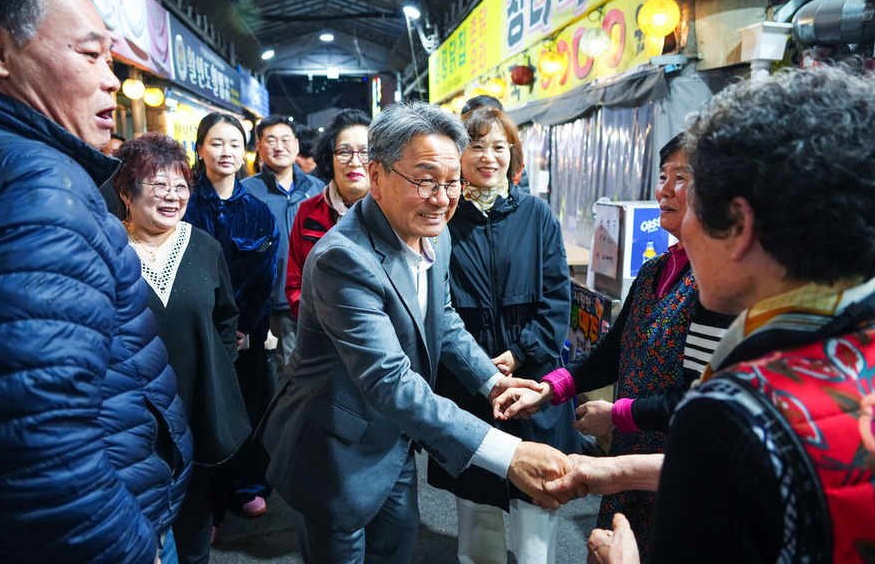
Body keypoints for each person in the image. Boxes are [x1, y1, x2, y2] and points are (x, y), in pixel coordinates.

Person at [571, 65, 875, 563]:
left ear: (739, 225)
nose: (680, 222)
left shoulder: (730, 414)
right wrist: (616, 472)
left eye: (694, 202)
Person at [257, 101, 574, 564]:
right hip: (336, 446)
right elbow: (389, 380)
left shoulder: (434, 233)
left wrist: (492, 380)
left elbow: (442, 319)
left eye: (451, 183)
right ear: (377, 175)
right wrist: (509, 454)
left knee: (397, 546)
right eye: (425, 180)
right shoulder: (343, 259)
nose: (442, 199)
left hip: (395, 438)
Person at [0, 0, 192, 562]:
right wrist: (127, 547)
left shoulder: (2, 160)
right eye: (90, 54)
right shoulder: (40, 187)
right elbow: (35, 436)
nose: (112, 82)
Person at [494, 134, 734, 558]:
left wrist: (618, 414)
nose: (664, 190)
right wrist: (550, 388)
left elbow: (696, 401)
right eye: (663, 177)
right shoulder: (656, 268)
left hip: (676, 466)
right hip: (626, 459)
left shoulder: (717, 286)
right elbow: (612, 354)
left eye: (682, 178)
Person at [427, 106, 578, 564]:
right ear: (458, 154)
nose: (488, 156)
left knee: (538, 507)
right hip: (467, 385)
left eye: (499, 146)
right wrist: (479, 366)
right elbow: (438, 307)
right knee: (476, 512)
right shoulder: (442, 219)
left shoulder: (537, 215)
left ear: (512, 155)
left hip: (533, 381)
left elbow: (557, 299)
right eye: (476, 145)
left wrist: (520, 353)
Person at [114, 133, 252, 564]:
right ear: (126, 193)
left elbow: (227, 317)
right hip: (134, 411)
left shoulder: (204, 246)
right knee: (141, 520)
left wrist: (218, 369)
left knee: (194, 517)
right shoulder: (108, 249)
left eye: (180, 186)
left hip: (198, 403)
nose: (172, 196)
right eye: (158, 186)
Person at [184, 112, 279, 518]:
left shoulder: (258, 212)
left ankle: (244, 485)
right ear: (200, 148)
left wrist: (240, 328)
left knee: (247, 409)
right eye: (217, 142)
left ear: (246, 153)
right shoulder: (181, 203)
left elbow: (263, 279)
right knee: (194, 411)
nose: (226, 151)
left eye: (234, 144)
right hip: (191, 332)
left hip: (244, 335)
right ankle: (200, 502)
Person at [243, 115, 326, 378]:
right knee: (273, 374)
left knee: (305, 371)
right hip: (264, 302)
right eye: (271, 140)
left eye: (285, 139)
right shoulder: (246, 191)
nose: (279, 146)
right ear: (259, 145)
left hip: (309, 299)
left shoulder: (318, 188)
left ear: (297, 144)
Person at [285, 108, 371, 318]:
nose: (355, 161)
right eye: (344, 151)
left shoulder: (393, 212)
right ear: (329, 158)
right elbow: (295, 281)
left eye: (365, 151)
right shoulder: (307, 211)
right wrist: (315, 324)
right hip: (319, 336)